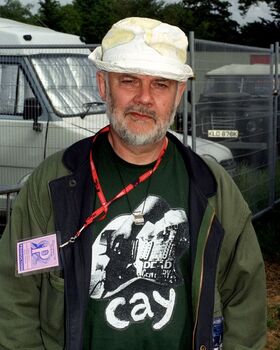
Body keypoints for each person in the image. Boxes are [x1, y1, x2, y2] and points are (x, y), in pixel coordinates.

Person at [0, 17, 266, 350]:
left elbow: (246, 299)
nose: (144, 98)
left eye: (161, 84)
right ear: (103, 85)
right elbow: (15, 298)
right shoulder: (53, 184)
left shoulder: (211, 187)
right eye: (129, 81)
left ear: (178, 93)